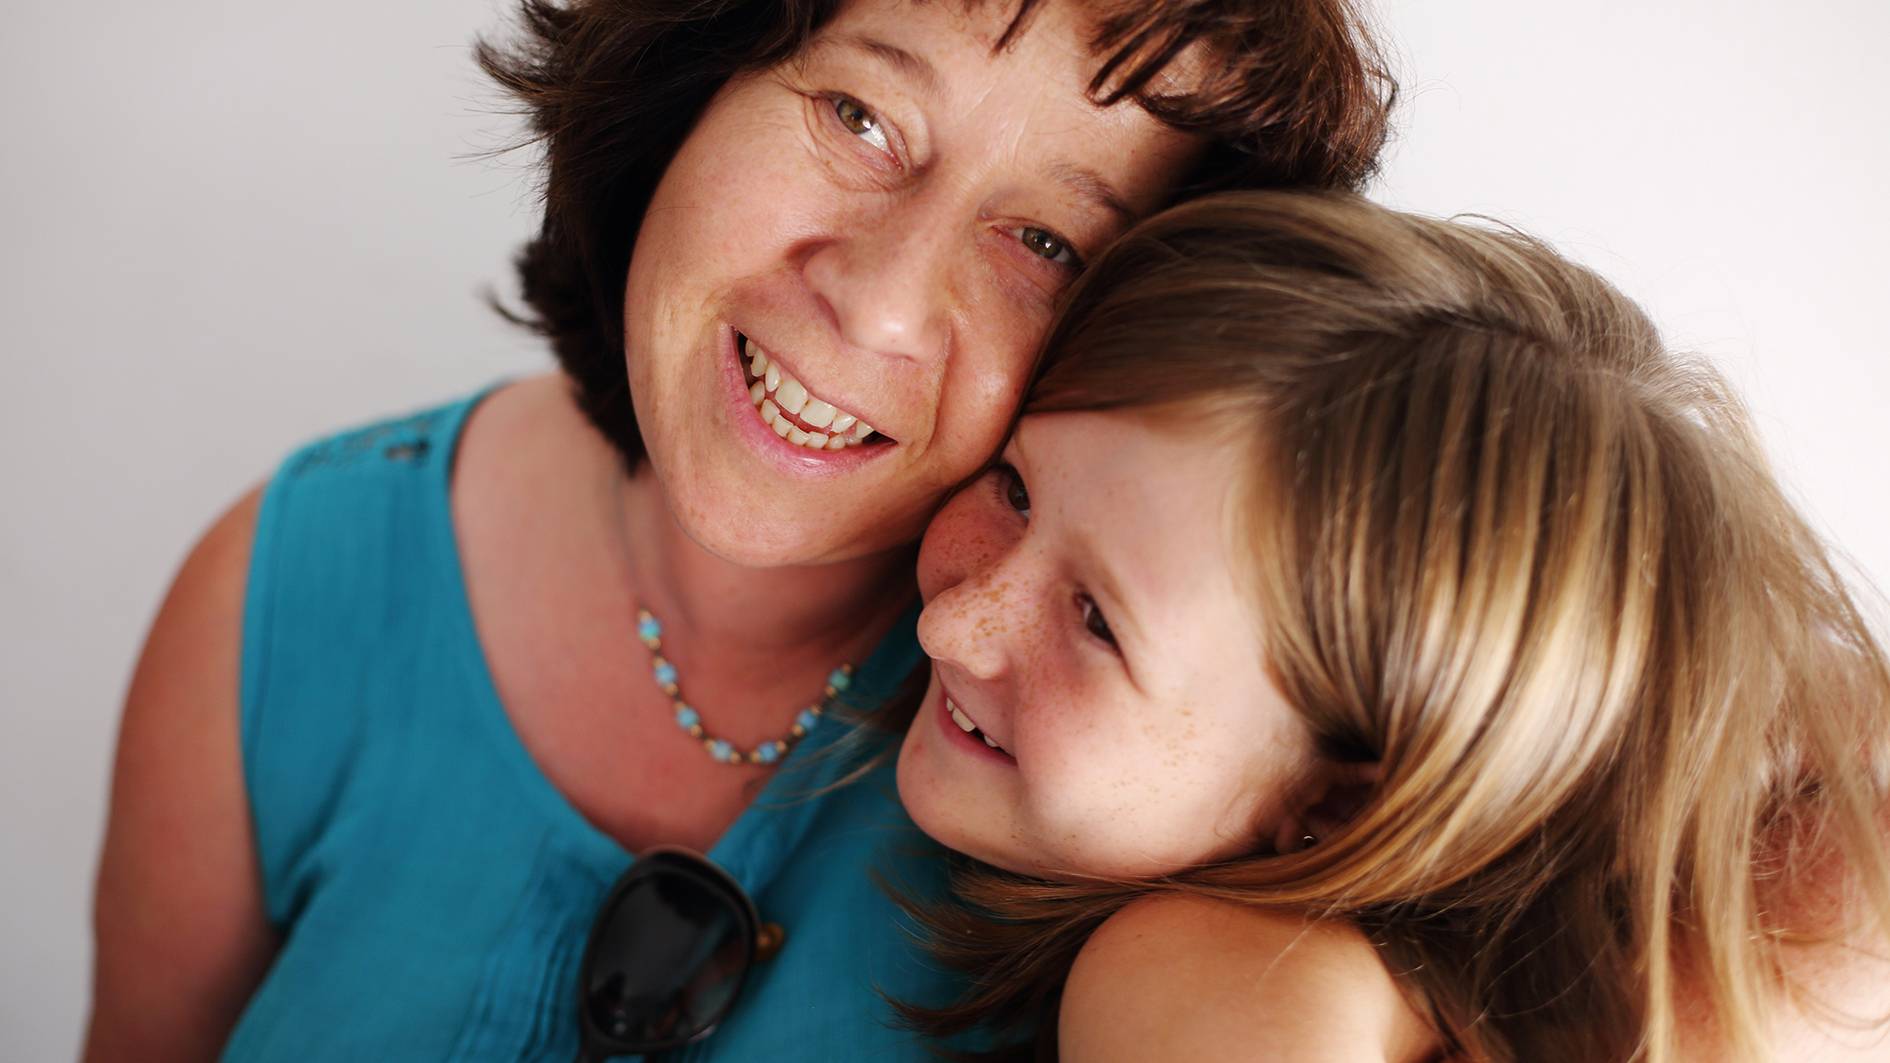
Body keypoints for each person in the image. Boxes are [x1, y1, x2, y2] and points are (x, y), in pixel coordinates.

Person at [82, 0, 1396, 1059]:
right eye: (859, 115)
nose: (879, 305)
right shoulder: (288, 583)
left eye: (1045, 242)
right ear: (688, 80)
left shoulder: (1151, 774)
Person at [892, 190, 1890, 1061]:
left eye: (1100, 623)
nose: (952, 626)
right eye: (1017, 490)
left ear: (1343, 803)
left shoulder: (1207, 978)